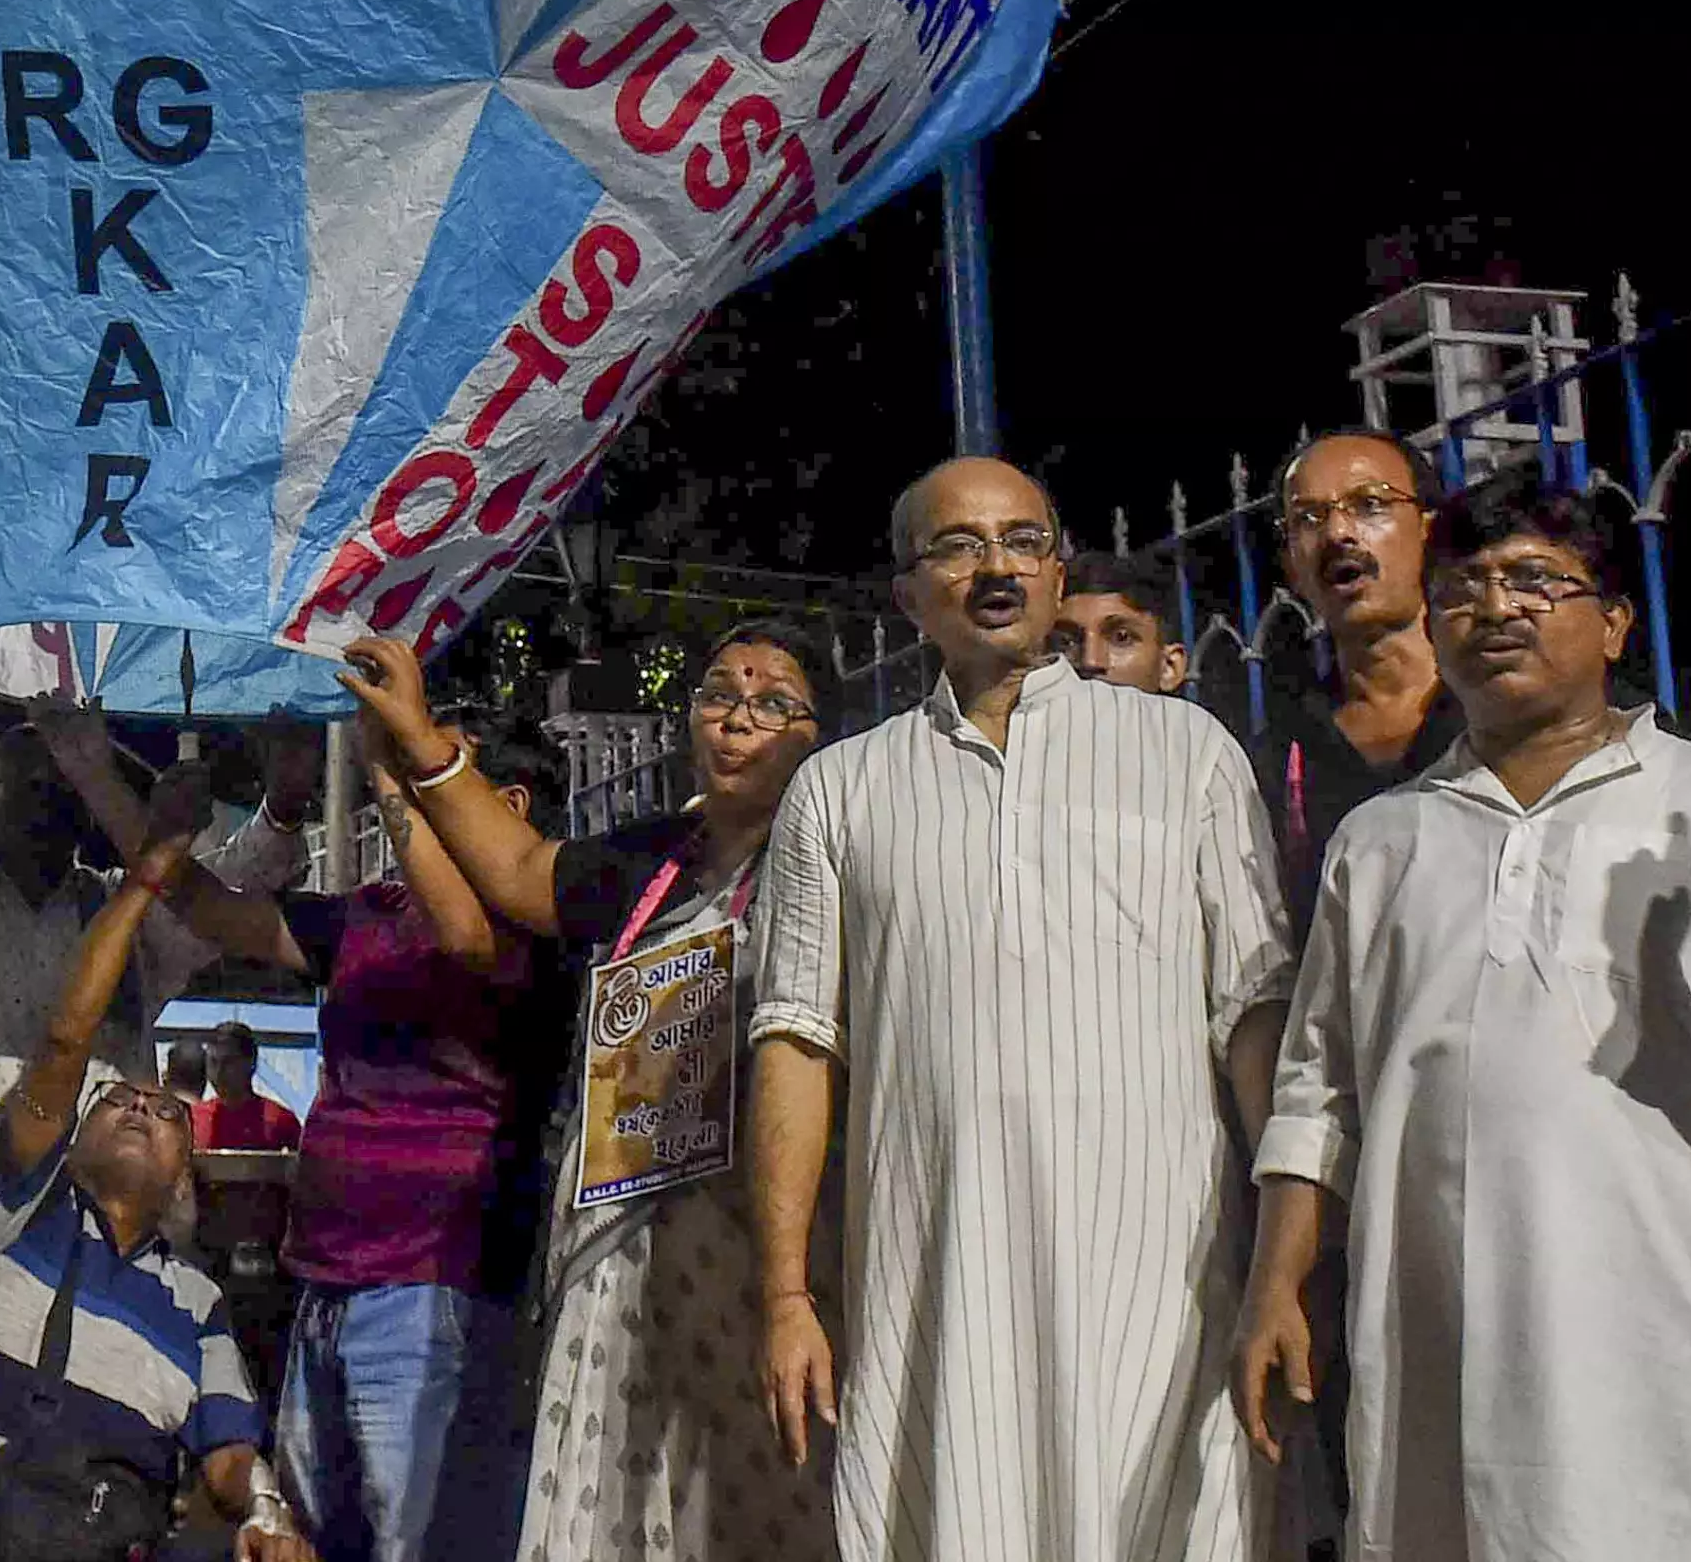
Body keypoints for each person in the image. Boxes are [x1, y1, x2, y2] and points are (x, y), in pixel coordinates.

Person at [1231, 467, 1691, 1562]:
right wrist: (1275, 1282)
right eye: (1464, 587)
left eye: (1537, 579)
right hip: (1426, 1314)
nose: (1496, 608)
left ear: (1615, 620)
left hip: (1673, 1313)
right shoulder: (1383, 842)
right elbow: (1318, 1087)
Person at [748, 456, 1293, 1562]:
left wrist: (1289, 1258)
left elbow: (1254, 1012)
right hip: (929, 1284)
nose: (994, 565)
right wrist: (786, 1291)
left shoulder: (1183, 751)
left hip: (1163, 1276)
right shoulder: (841, 786)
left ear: (1055, 571)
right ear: (907, 592)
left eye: (1021, 540)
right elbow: (797, 1038)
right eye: (956, 544)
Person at [373, 618, 845, 1562]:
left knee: (750, 1502)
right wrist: (419, 743)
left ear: (818, 735)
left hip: (762, 1245)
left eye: (771, 702)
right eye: (718, 694)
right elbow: (517, 871)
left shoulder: (846, 856)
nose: (736, 719)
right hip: (620, 1245)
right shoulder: (654, 859)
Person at [144, 655, 565, 1562]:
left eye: (438, 764)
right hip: (325, 1284)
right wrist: (102, 776)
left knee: (420, 1541)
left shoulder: (533, 920)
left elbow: (463, 937)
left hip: (434, 1287)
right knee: (304, 1541)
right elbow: (210, 912)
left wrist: (382, 760)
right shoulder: (371, 911)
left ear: (513, 809)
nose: (412, 781)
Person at [0, 823, 311, 1562]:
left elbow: (229, 1455)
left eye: (169, 1111)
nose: (142, 1106)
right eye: (114, 1102)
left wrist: (268, 1518)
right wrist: (142, 884)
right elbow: (63, 1043)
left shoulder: (197, 1305)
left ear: (186, 1170)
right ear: (67, 1147)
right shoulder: (13, 1217)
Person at [1252, 431, 1456, 945]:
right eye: (1309, 518)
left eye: (1371, 505)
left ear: (1430, 532)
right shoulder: (1279, 757)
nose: (1339, 532)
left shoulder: (1512, 713)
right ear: (1291, 566)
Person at [1054, 551, 1197, 696]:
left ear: (1169, 667)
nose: (1090, 661)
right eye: (1066, 642)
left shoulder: (1196, 719)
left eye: (1121, 638)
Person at [196, 1016, 303, 1155]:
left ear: (250, 1063)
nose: (219, 1072)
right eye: (213, 1062)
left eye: (228, 1062)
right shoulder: (195, 1119)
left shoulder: (281, 1121)